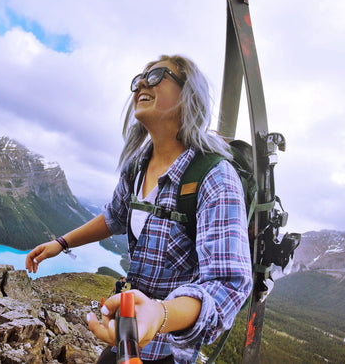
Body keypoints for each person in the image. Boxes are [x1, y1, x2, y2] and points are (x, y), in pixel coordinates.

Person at [26, 55, 252, 364]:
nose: (142, 83)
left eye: (158, 75)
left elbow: (228, 285)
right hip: (128, 334)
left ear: (189, 96)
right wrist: (60, 244)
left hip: (168, 350)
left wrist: (158, 315)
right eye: (138, 80)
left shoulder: (216, 177)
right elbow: (115, 217)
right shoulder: (137, 167)